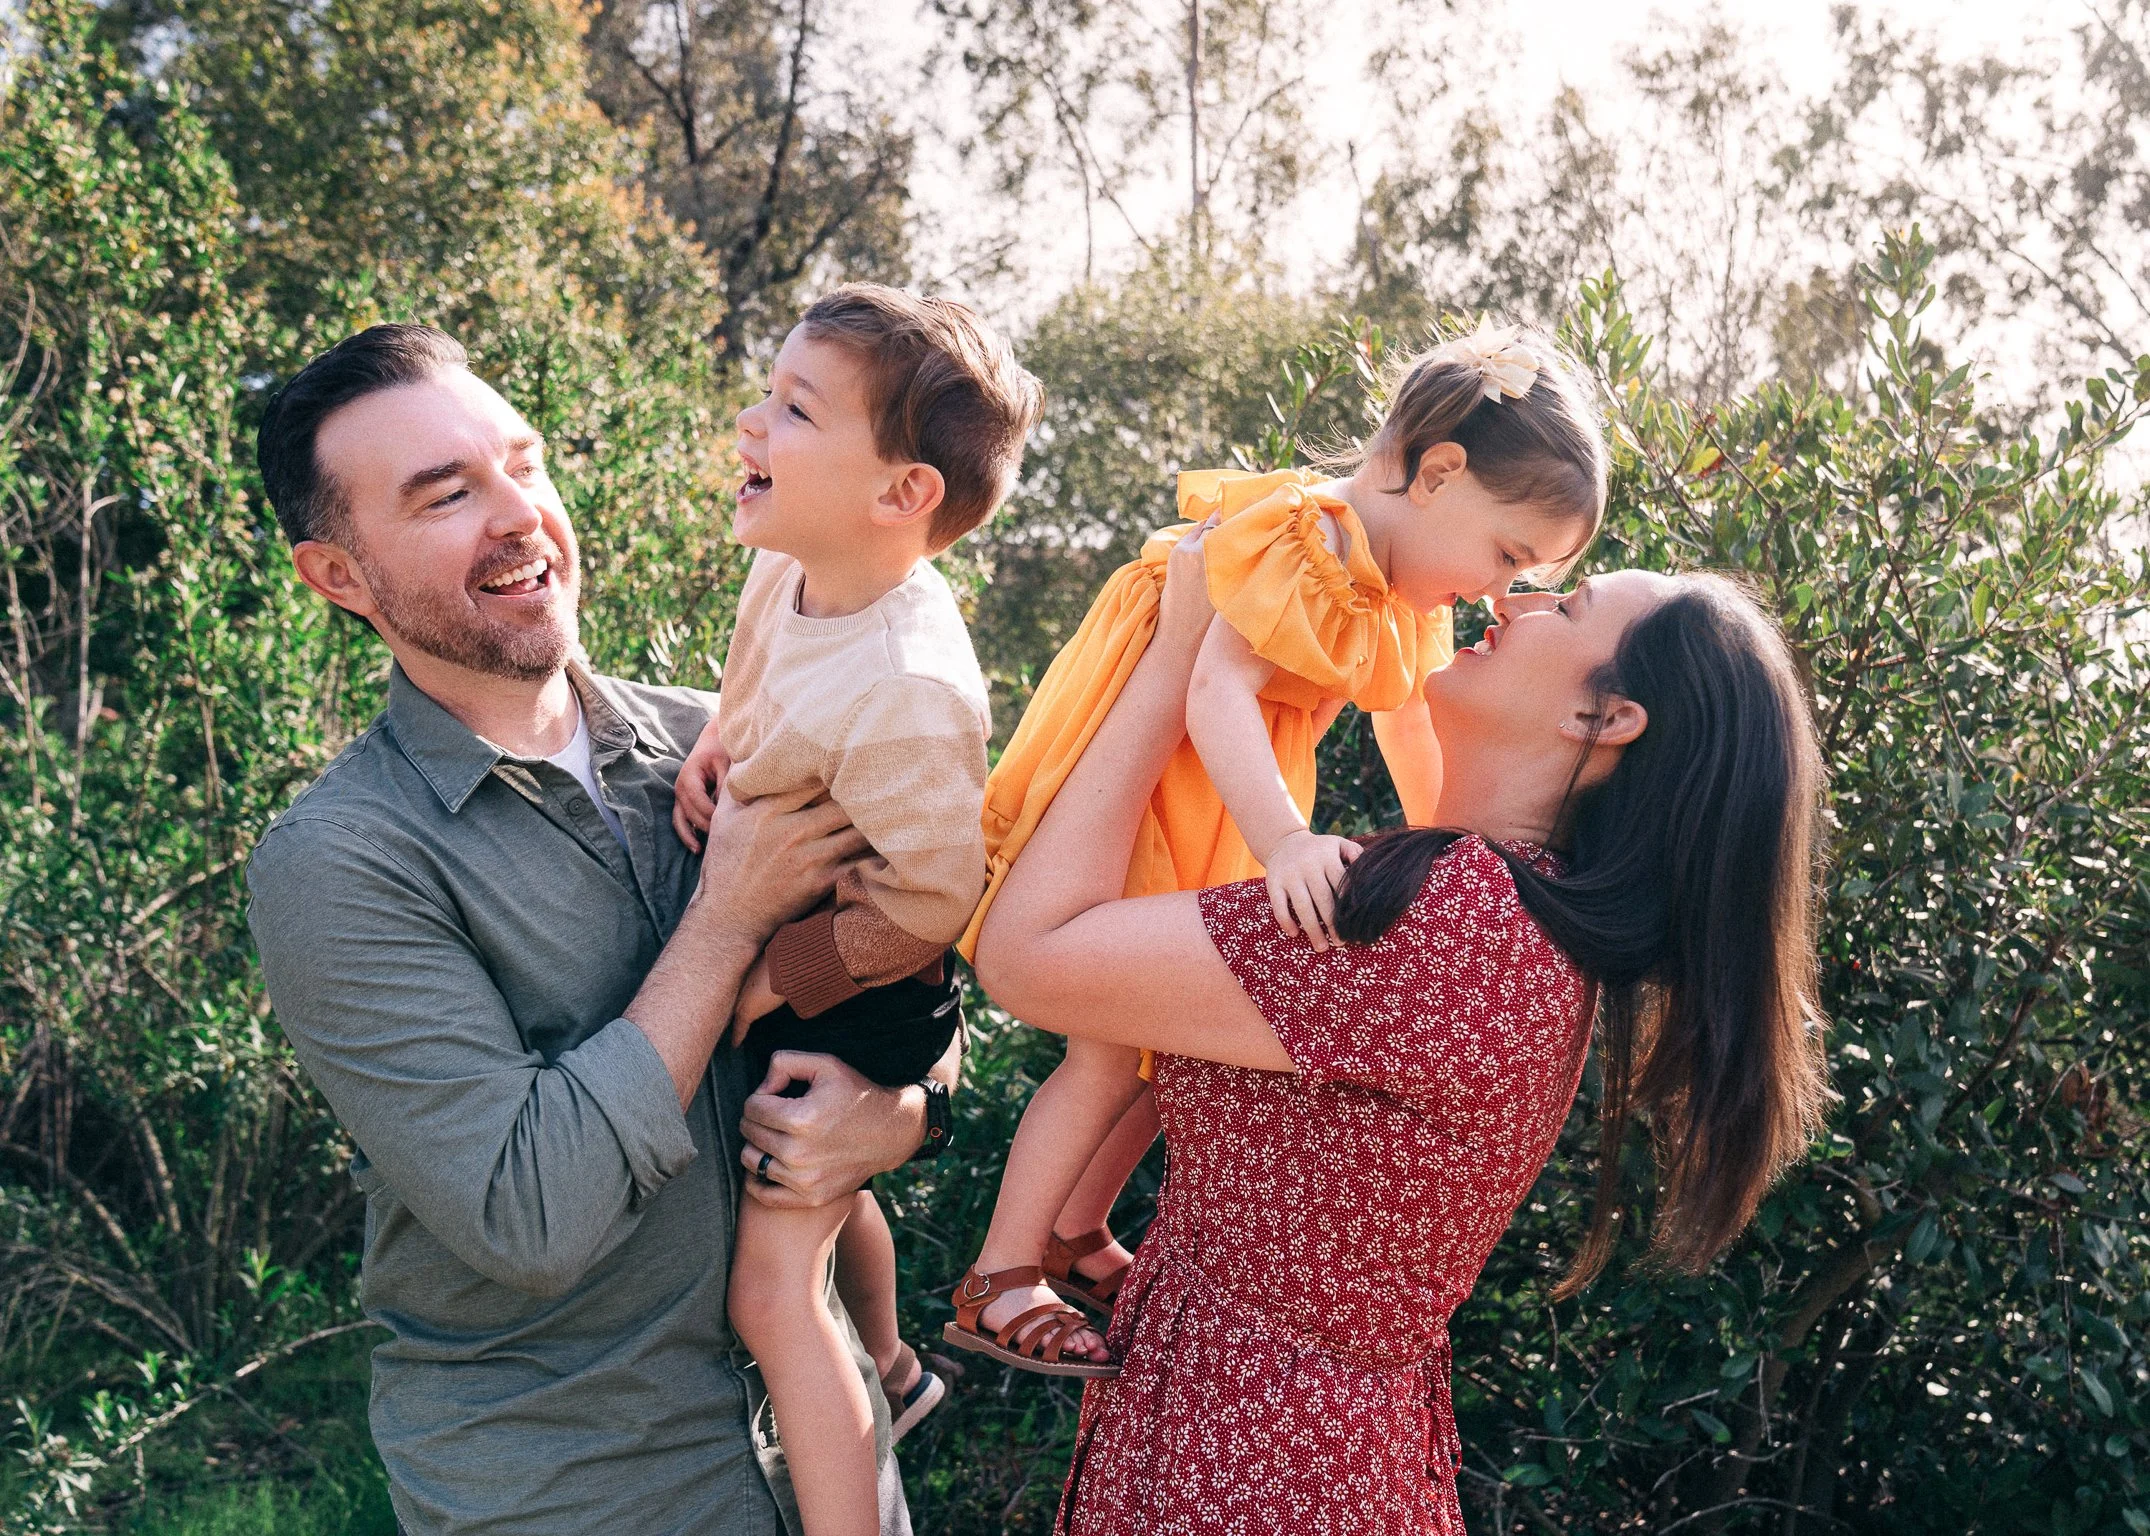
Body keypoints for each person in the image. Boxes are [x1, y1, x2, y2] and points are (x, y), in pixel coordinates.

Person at [967, 524, 1833, 1532]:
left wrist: (1174, 658)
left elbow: (1028, 957)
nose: (1513, 602)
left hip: (1252, 1468)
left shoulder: (1458, 924)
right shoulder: (1508, 915)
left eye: (1567, 606)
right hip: (1290, 1453)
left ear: (1603, 718)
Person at [244, 323, 950, 1536]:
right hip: (577, 1493)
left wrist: (906, 1110)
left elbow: (909, 952)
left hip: (834, 1463)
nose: (518, 514)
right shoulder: (341, 863)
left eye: (523, 465)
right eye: (447, 494)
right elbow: (530, 1214)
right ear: (339, 576)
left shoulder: (723, 738)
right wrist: (725, 921)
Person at [943, 323, 1610, 1372]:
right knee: (1109, 1046)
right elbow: (1213, 690)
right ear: (1438, 474)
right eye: (1508, 554)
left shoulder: (1400, 590)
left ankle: (1074, 1225)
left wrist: (1452, 850)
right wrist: (1287, 841)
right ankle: (1000, 1273)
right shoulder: (1311, 541)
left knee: (1174, 1041)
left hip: (1226, 786)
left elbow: (1407, 719)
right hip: (1161, 771)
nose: (1499, 592)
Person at [666, 284, 1041, 1536]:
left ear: (901, 494)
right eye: (767, 394)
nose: (749, 425)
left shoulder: (907, 685)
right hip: (799, 928)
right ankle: (889, 1365)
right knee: (818, 1206)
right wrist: (716, 748)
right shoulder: (793, 566)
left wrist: (770, 980)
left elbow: (931, 905)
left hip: (861, 971)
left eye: (793, 410)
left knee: (769, 1293)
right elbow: (753, 685)